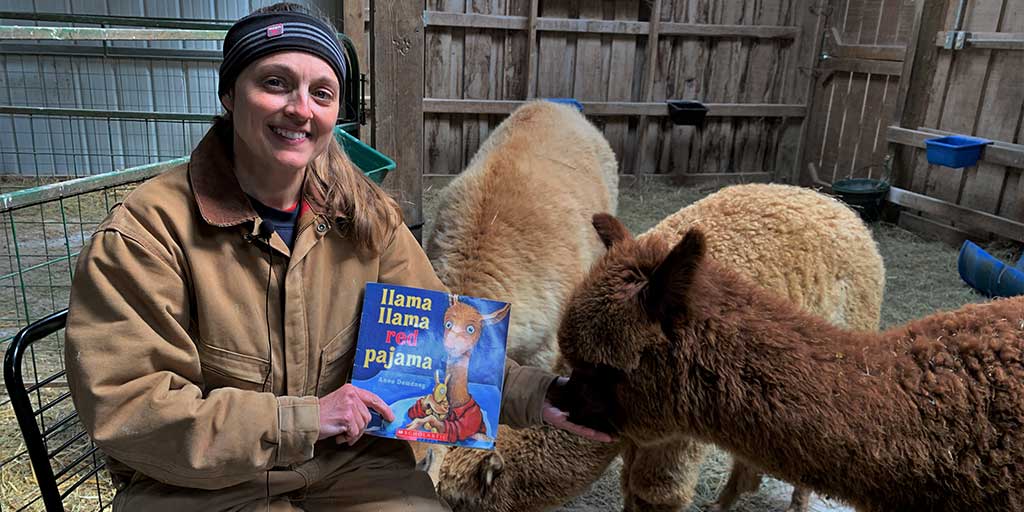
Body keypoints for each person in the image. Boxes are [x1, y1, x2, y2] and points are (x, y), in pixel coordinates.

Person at [64, 3, 610, 511]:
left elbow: (435, 345)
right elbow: (131, 407)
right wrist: (305, 419)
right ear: (230, 95)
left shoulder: (366, 220)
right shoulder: (147, 237)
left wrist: (540, 395)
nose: (300, 109)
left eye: (321, 93)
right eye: (275, 83)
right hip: (203, 485)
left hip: (349, 467)